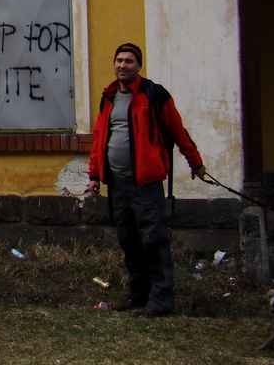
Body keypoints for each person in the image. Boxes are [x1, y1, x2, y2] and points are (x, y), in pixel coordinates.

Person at [86, 43, 206, 318]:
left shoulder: (154, 95)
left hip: (146, 185)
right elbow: (99, 139)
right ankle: (138, 294)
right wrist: (94, 175)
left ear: (138, 66)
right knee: (129, 241)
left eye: (129, 61)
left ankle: (160, 301)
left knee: (153, 240)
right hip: (117, 184)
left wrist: (195, 162)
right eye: (119, 60)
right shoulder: (109, 97)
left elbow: (178, 131)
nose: (122, 65)